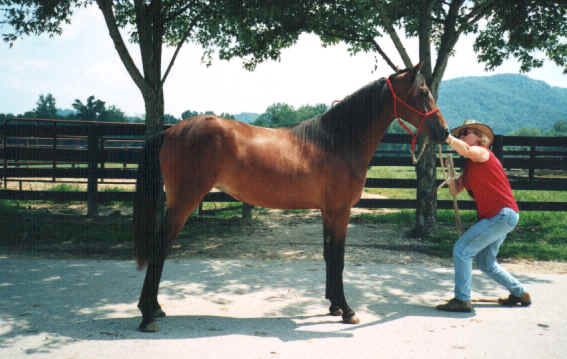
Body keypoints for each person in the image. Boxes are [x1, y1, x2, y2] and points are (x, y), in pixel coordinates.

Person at [436, 120, 531, 312]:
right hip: (501, 217)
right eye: (460, 133)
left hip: (501, 215)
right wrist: (449, 173)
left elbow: (468, 151)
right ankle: (520, 292)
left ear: (480, 138)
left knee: (462, 250)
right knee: (486, 263)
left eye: (466, 132)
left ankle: (462, 300)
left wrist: (446, 137)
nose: (462, 135)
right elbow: (455, 191)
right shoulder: (470, 165)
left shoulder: (482, 152)